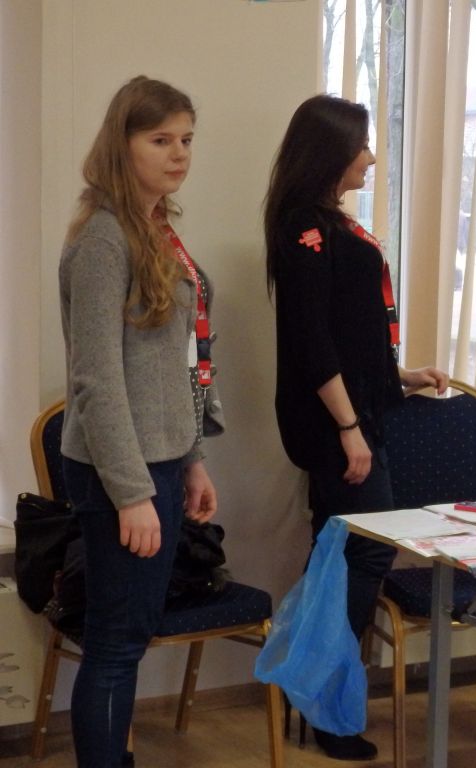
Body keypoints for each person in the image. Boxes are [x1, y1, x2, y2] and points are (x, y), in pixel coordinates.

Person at [264, 94, 448, 762]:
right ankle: (324, 702)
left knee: (342, 552)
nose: (370, 157)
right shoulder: (303, 230)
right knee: (360, 553)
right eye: (362, 145)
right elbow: (313, 343)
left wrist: (402, 376)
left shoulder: (330, 223)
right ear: (331, 151)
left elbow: (350, 335)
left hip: (359, 413)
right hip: (336, 424)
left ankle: (314, 696)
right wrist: (348, 427)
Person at [59, 75, 223, 767]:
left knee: (130, 634)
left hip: (160, 459)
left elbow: (177, 361)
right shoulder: (104, 240)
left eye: (186, 139)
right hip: (119, 468)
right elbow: (96, 381)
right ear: (121, 145)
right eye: (160, 140)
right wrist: (131, 492)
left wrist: (192, 457)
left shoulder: (156, 231)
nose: (179, 153)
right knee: (116, 641)